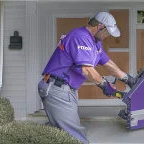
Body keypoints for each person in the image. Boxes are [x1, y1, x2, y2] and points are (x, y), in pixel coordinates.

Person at [37, 11, 135, 144]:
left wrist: (128, 79)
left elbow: (109, 64)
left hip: (65, 89)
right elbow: (87, 70)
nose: (107, 36)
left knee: (60, 131)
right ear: (100, 26)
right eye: (107, 32)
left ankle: (32, 135)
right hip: (57, 88)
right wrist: (104, 85)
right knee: (76, 136)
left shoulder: (95, 42)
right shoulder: (80, 37)